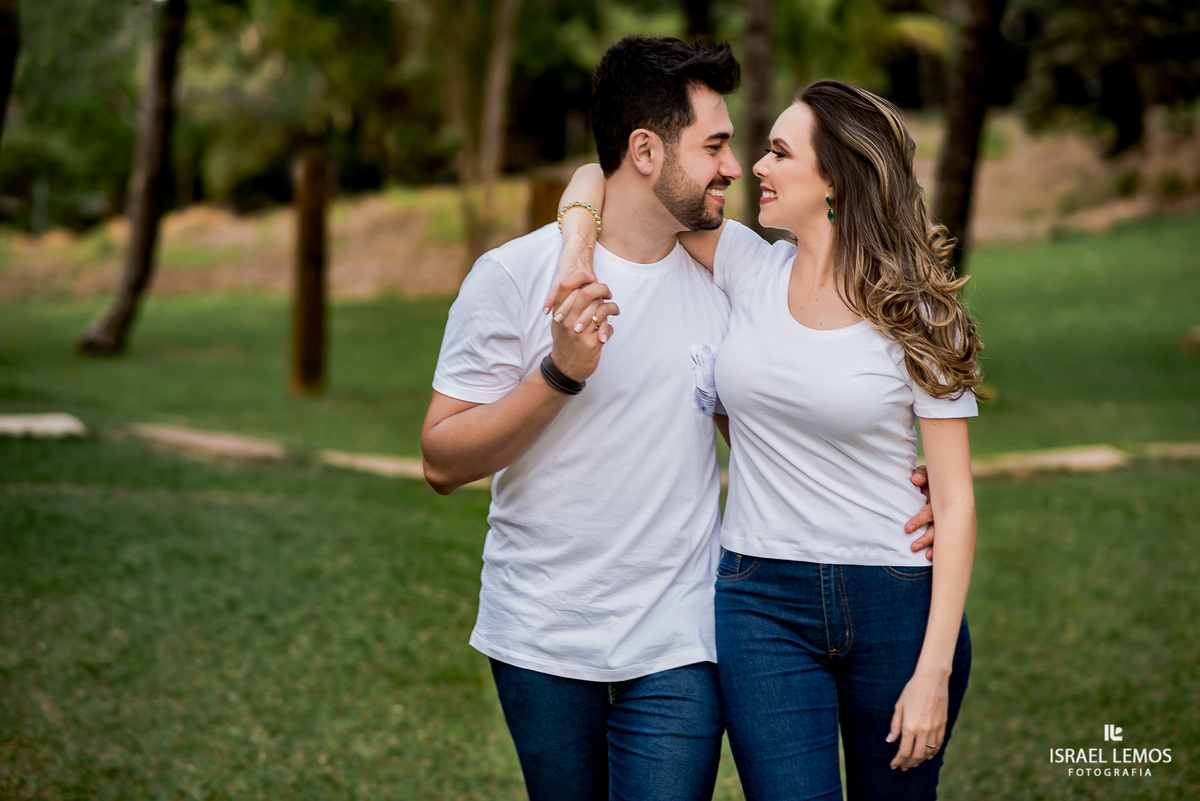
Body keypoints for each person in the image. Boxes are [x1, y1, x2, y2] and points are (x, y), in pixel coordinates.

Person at [424, 36, 936, 801]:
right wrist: (561, 370)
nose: (736, 166)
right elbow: (441, 462)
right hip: (538, 633)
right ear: (644, 150)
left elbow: (780, 416)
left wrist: (885, 486)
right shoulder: (512, 275)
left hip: (681, 638)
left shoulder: (728, 279)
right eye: (716, 145)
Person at [555, 80, 980, 800]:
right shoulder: (748, 265)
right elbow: (608, 177)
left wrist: (933, 670)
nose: (754, 166)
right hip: (760, 602)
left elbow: (958, 500)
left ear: (837, 179)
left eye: (780, 152)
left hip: (897, 598)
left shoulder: (917, 310)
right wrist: (574, 245)